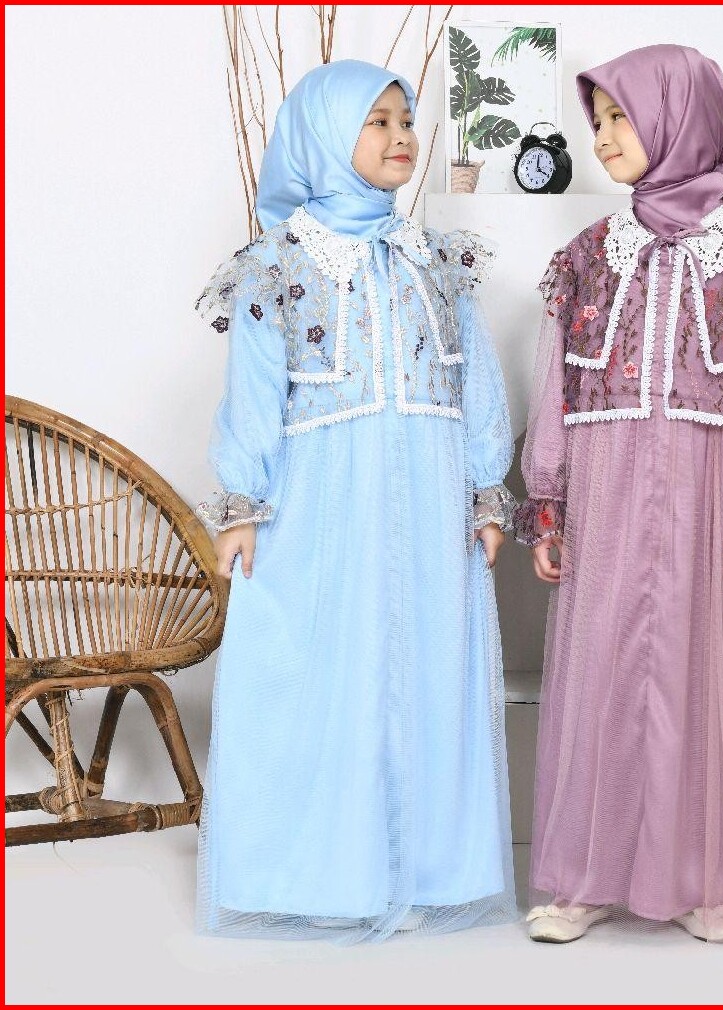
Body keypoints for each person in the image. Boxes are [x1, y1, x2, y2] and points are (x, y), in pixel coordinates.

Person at [515, 44, 723, 944]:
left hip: (706, 489)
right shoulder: (589, 254)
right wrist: (550, 499)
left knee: (703, 678)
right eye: (599, 120)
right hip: (606, 484)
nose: (604, 137)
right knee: (600, 670)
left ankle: (705, 877)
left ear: (679, 118)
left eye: (622, 116)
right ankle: (585, 874)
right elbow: (555, 387)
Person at [194, 60, 516, 942]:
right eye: (377, 122)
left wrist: (486, 490)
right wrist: (243, 504)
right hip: (322, 505)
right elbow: (255, 390)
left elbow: (476, 378)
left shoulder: (436, 258)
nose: (401, 136)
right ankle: (324, 874)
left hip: (429, 500)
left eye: (406, 119)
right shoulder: (276, 265)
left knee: (427, 672)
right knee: (327, 673)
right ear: (325, 138)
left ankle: (426, 869)